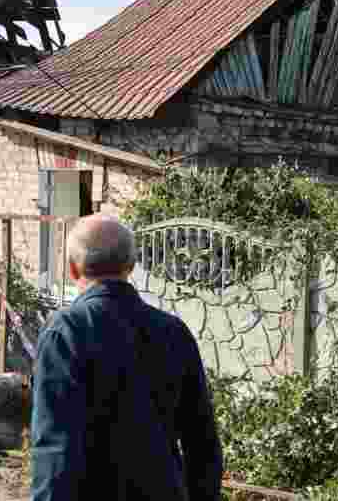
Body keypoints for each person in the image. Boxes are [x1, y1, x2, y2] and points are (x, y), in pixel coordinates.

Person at [30, 214, 224, 501]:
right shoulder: (173, 331)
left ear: (73, 269)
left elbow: (55, 450)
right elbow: (201, 440)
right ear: (131, 266)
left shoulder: (66, 332)